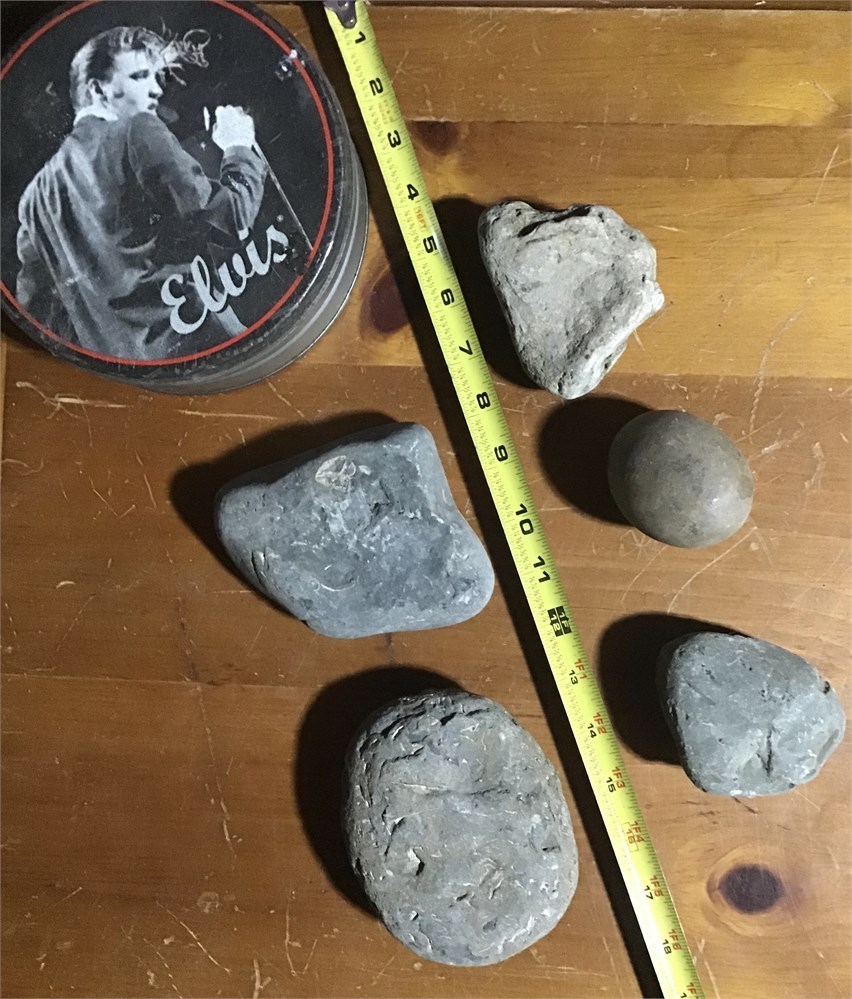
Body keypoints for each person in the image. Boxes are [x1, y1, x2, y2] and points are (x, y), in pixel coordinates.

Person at [15, 26, 268, 360]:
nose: (156, 90)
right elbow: (232, 219)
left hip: (127, 372)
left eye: (156, 77)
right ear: (98, 89)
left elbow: (36, 314)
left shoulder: (34, 198)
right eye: (139, 77)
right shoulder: (137, 128)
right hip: (200, 344)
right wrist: (238, 147)